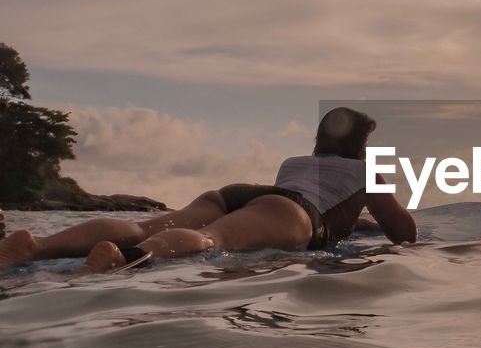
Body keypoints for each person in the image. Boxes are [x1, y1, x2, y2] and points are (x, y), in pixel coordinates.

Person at [0, 107, 416, 273]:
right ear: (361, 147)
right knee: (211, 240)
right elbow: (403, 231)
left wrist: (357, 223)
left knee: (145, 225)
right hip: (290, 212)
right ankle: (123, 260)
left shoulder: (296, 163)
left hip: (242, 193)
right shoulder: (364, 173)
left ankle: (35, 246)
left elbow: (317, 205)